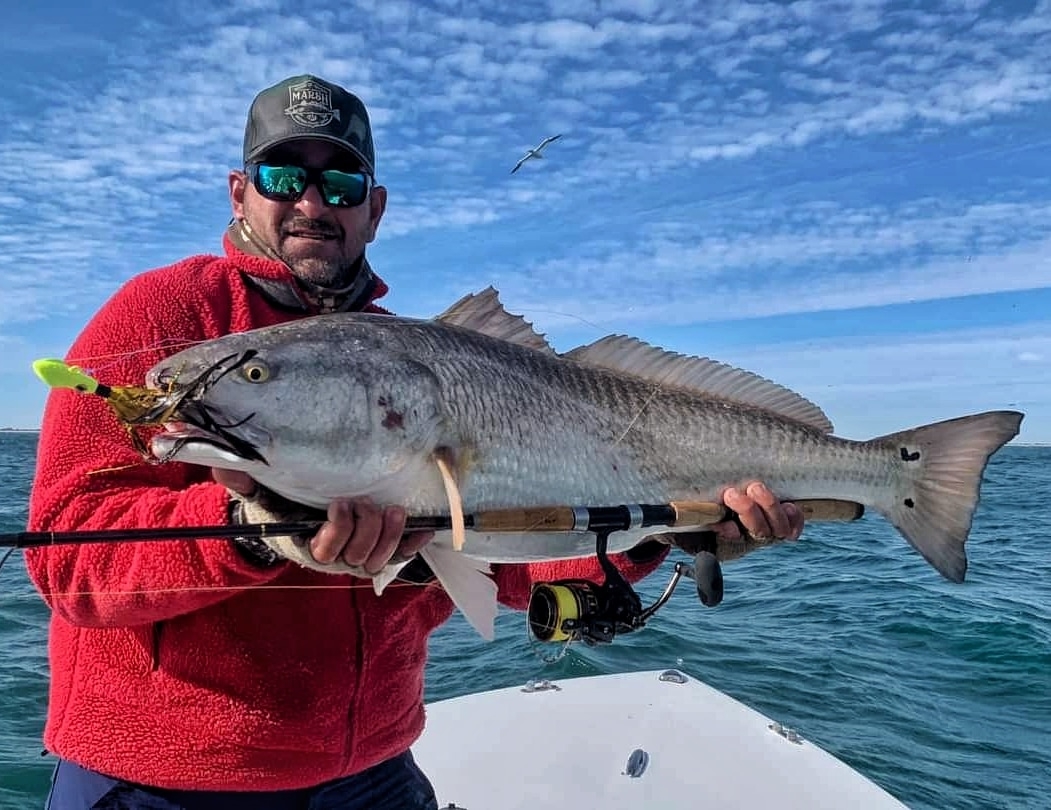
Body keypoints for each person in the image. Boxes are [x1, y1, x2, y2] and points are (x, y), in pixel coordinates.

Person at [25, 75, 805, 810]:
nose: (310, 201)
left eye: (340, 184)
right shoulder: (159, 317)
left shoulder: (418, 362)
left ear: (375, 208)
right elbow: (65, 560)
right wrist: (252, 536)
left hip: (372, 769)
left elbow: (492, 556)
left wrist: (658, 531)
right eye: (281, 176)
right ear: (239, 191)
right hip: (159, 781)